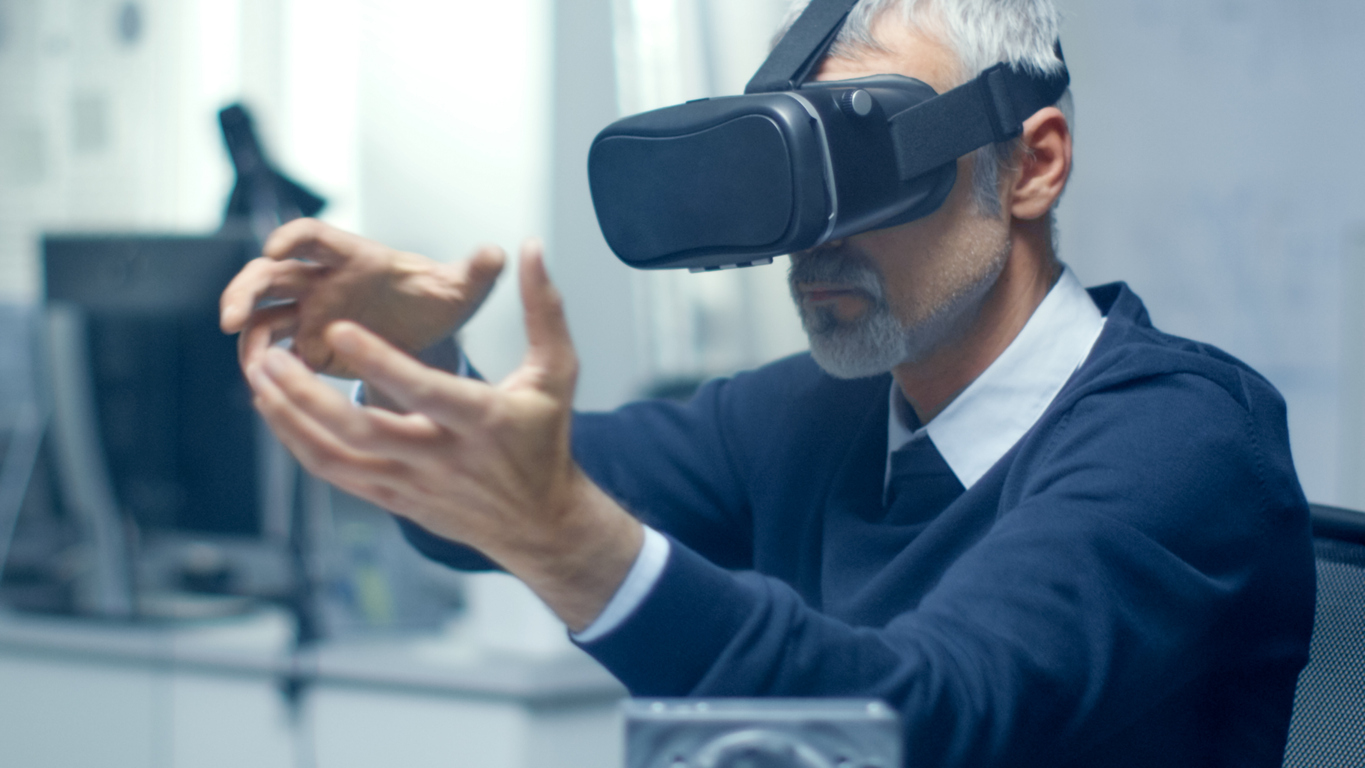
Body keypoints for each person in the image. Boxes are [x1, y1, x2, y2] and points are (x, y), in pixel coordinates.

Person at [220, 1, 1315, 765]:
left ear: (1031, 166)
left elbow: (919, 722)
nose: (815, 240)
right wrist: (410, 363)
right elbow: (491, 502)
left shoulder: (1180, 441)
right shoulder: (809, 420)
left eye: (866, 162)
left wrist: (573, 544)